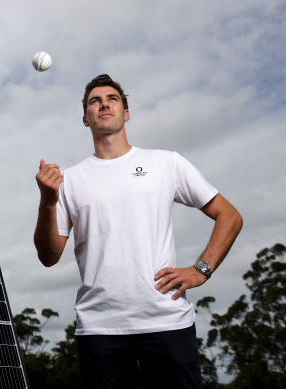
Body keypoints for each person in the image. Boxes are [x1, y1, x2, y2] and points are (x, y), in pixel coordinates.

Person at [34, 74, 243, 388]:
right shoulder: (70, 180)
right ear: (85, 119)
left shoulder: (165, 163)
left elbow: (229, 216)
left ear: (126, 113)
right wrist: (48, 202)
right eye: (95, 101)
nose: (104, 103)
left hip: (166, 319)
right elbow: (49, 256)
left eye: (112, 99)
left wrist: (201, 269)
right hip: (100, 328)